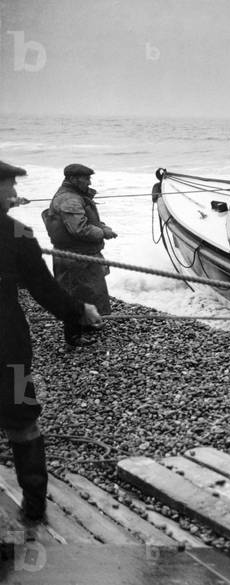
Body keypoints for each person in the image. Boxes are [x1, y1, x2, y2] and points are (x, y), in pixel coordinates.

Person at [1, 160, 101, 525]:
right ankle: (34, 505)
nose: (14, 192)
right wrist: (80, 312)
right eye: (8, 187)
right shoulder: (18, 235)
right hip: (8, 353)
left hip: (9, 350)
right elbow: (45, 291)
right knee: (24, 421)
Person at [42, 164, 116, 345]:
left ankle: (87, 323)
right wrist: (103, 233)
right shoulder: (69, 200)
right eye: (86, 179)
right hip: (73, 256)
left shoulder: (76, 196)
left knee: (90, 290)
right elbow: (79, 229)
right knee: (74, 293)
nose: (89, 182)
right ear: (74, 179)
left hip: (83, 254)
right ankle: (73, 336)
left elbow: (89, 220)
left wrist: (103, 226)